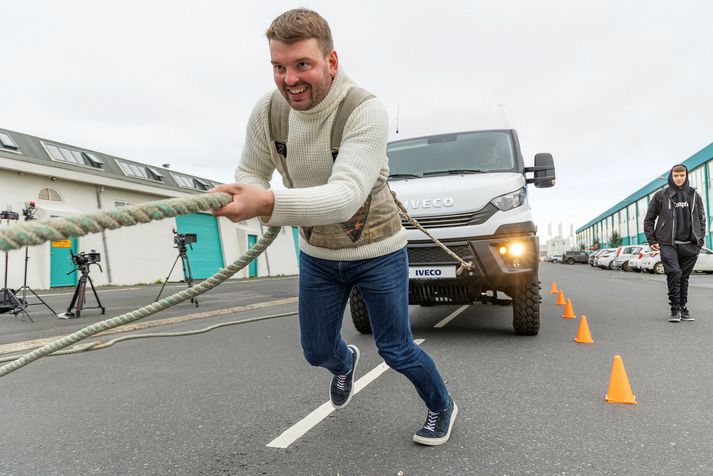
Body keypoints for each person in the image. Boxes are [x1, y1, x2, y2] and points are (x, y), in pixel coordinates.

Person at [211, 8, 456, 445]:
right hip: (319, 257)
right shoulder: (268, 112)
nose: (290, 79)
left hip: (378, 251)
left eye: (302, 64)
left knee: (396, 349)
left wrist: (266, 201)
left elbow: (345, 195)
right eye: (279, 67)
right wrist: (248, 191)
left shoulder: (365, 110)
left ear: (332, 61)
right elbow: (251, 169)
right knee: (317, 351)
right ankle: (344, 363)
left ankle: (441, 405)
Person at [644, 164, 706, 322]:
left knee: (684, 276)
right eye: (676, 176)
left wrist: (699, 240)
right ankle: (675, 309)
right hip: (668, 243)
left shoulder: (693, 195)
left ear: (686, 176)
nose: (679, 178)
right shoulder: (661, 195)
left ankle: (683, 308)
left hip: (690, 244)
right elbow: (649, 219)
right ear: (671, 176)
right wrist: (651, 240)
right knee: (674, 273)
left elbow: (701, 219)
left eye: (682, 175)